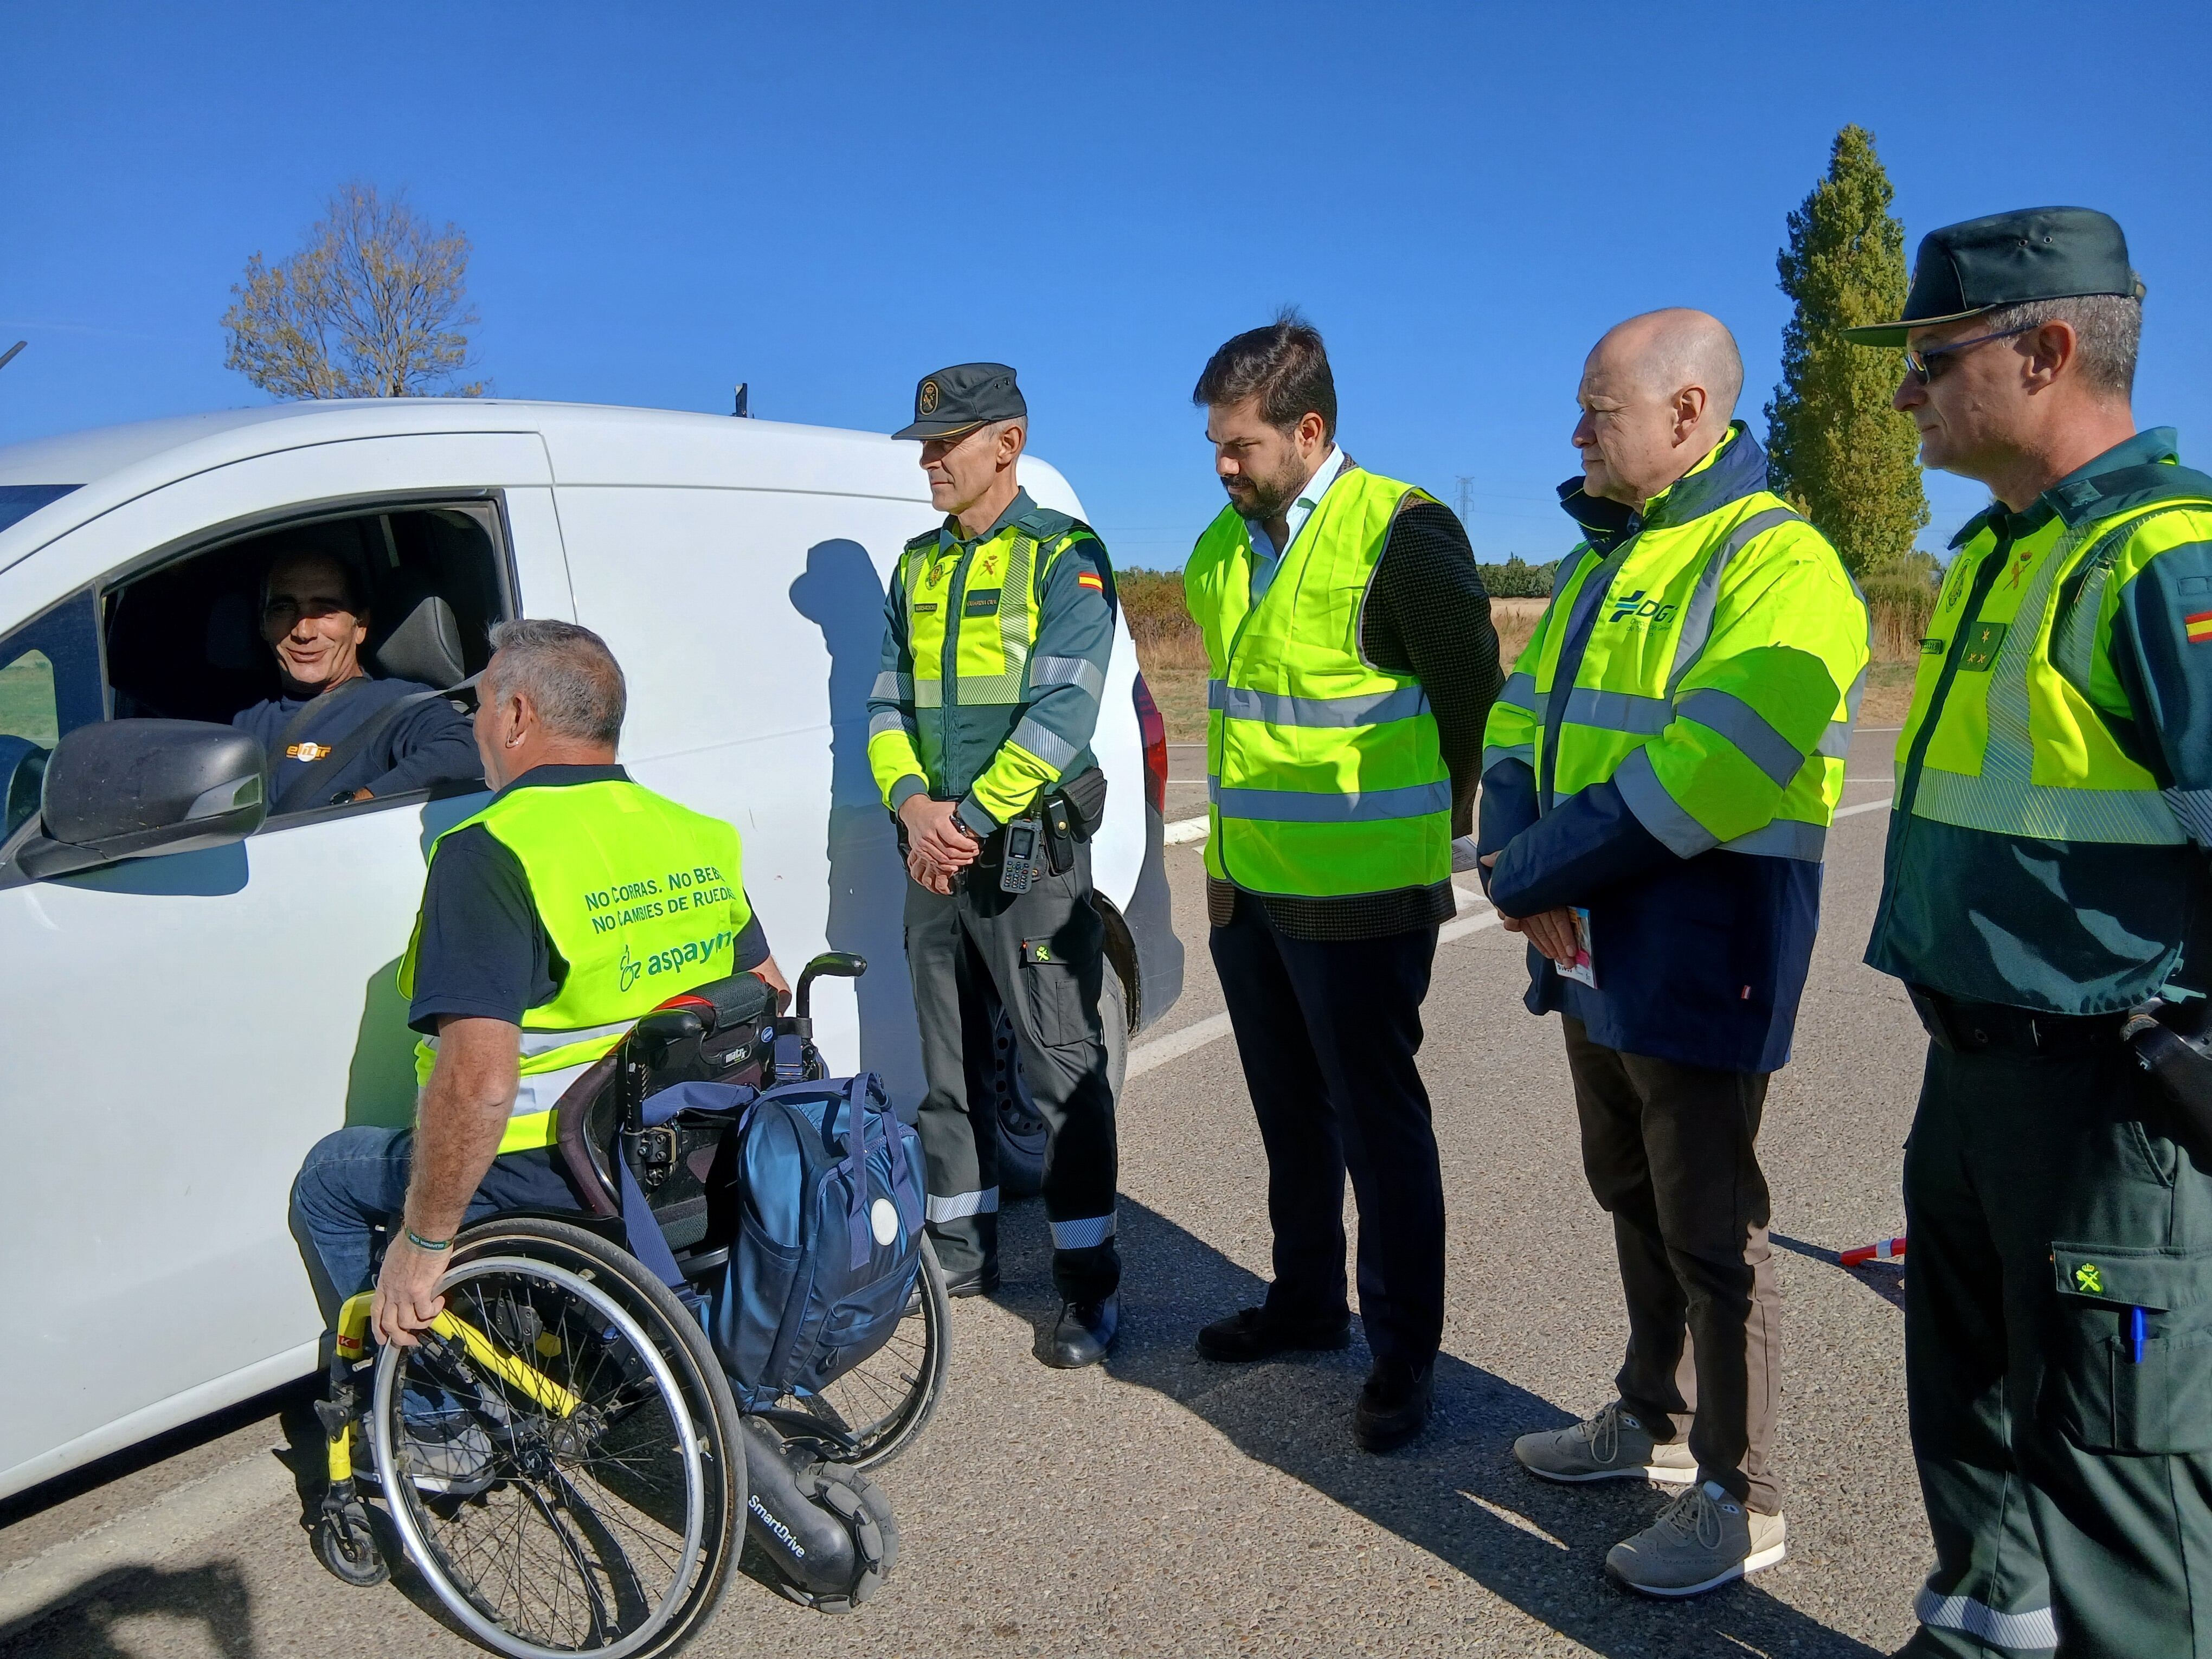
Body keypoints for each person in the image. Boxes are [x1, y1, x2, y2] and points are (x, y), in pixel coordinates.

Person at [1846, 208, 2212, 1658]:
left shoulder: (2170, 565)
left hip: (2114, 1099)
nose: (1901, 393)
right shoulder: (2005, 551)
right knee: (1977, 1413)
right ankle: (1987, 1628)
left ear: (2047, 348)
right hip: (1978, 1074)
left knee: (2126, 1482)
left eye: (1932, 358)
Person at [1478, 309, 1867, 1596]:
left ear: (1686, 413)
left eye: (1597, 409)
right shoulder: (1603, 560)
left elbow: (1717, 763)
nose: (1574, 431)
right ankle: (1647, 1418)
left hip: (1703, 931)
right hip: (1589, 928)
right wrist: (1514, 846)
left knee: (1709, 1224)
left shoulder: (1778, 560)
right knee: (1626, 1187)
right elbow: (1516, 718)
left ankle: (1737, 1493)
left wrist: (1529, 871)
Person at [290, 620, 788, 1478]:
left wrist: (424, 1243)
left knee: (334, 1177)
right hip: (691, 1152)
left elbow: (480, 1087)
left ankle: (441, 1424)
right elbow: (768, 994)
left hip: (554, 1164)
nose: (476, 726)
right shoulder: (695, 834)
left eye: (481, 704)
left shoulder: (489, 851)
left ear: (517, 715)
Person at [1182, 314, 1502, 1452]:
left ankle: (1404, 1358)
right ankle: (1308, 1304)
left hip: (1364, 894)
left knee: (1380, 1129)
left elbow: (1477, 703)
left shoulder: (1402, 533)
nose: (1222, 466)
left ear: (1309, 430)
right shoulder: (1224, 549)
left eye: (1241, 446)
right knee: (1289, 1118)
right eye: (1214, 445)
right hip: (1250, 889)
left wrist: (1472, 836)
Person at [865, 363, 1124, 1369]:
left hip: (1024, 860)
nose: (929, 461)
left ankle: (1089, 1290)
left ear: (1005, 444)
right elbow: (884, 707)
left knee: (1061, 1069)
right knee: (945, 1069)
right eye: (926, 444)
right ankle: (959, 1256)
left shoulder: (1066, 558)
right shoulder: (915, 566)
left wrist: (963, 818)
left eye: (947, 443)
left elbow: (1064, 717)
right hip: (935, 856)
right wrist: (913, 807)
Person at [232, 547, 481, 808]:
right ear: (263, 625)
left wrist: (359, 805)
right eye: (284, 608)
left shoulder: (398, 707)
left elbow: (467, 749)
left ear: (360, 625)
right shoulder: (241, 718)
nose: (303, 632)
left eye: (325, 610)